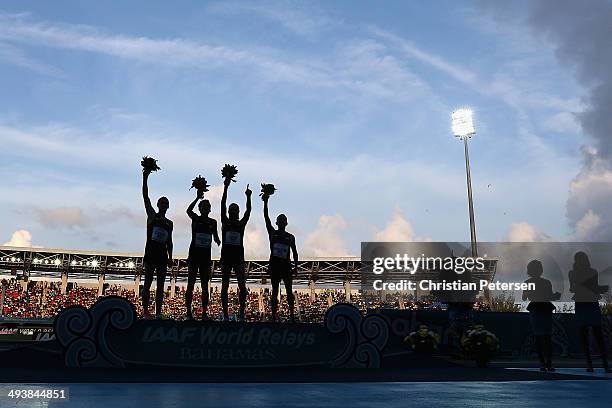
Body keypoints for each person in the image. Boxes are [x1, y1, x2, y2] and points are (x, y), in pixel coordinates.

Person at [568, 251, 611, 373]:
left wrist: (602, 288)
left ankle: (604, 363)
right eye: (579, 259)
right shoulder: (573, 273)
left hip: (591, 302)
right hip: (582, 302)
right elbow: (572, 288)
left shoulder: (592, 272)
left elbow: (595, 287)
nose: (581, 261)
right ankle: (590, 362)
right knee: (585, 334)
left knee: (598, 333)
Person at [142, 169, 173, 319]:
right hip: (150, 252)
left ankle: (158, 312)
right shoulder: (152, 216)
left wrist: (171, 257)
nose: (163, 205)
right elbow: (145, 197)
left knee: (160, 285)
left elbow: (170, 241)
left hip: (162, 255)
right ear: (158, 204)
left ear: (168, 206)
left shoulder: (169, 223)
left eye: (166, 203)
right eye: (162, 202)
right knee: (147, 282)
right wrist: (145, 177)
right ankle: (146, 311)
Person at [263, 194, 298, 322]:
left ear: (286, 223)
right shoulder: (273, 233)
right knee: (275, 290)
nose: (282, 221)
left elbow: (295, 252)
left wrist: (296, 267)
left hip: (286, 267)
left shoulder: (290, 237)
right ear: (277, 222)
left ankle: (292, 315)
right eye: (280, 219)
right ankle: (273, 315)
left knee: (289, 291)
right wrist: (265, 203)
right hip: (275, 266)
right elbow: (266, 218)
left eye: (284, 220)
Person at [185, 190, 221, 320]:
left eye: (207, 206)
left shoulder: (213, 222)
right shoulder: (196, 218)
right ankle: (188, 313)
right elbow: (188, 210)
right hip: (194, 256)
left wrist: (218, 240)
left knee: (205, 285)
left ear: (210, 209)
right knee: (191, 283)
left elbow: (216, 236)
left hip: (206, 258)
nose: (205, 208)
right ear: (199, 208)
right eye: (203, 206)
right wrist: (197, 198)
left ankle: (205, 313)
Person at [220, 179, 251, 321]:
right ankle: (226, 314)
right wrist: (225, 187)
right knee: (224, 285)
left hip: (238, 258)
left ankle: (242, 313)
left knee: (242, 286)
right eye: (231, 210)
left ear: (238, 212)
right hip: (226, 258)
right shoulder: (225, 222)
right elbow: (222, 203)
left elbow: (248, 211)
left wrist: (248, 197)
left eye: (235, 210)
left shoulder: (241, 224)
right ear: (228, 212)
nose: (233, 212)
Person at [522, 260, 561, 371]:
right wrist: (555, 296)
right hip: (545, 309)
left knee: (538, 337)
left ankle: (542, 363)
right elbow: (550, 296)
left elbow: (524, 297)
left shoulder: (527, 282)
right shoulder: (546, 282)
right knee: (547, 337)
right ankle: (548, 362)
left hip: (535, 309)